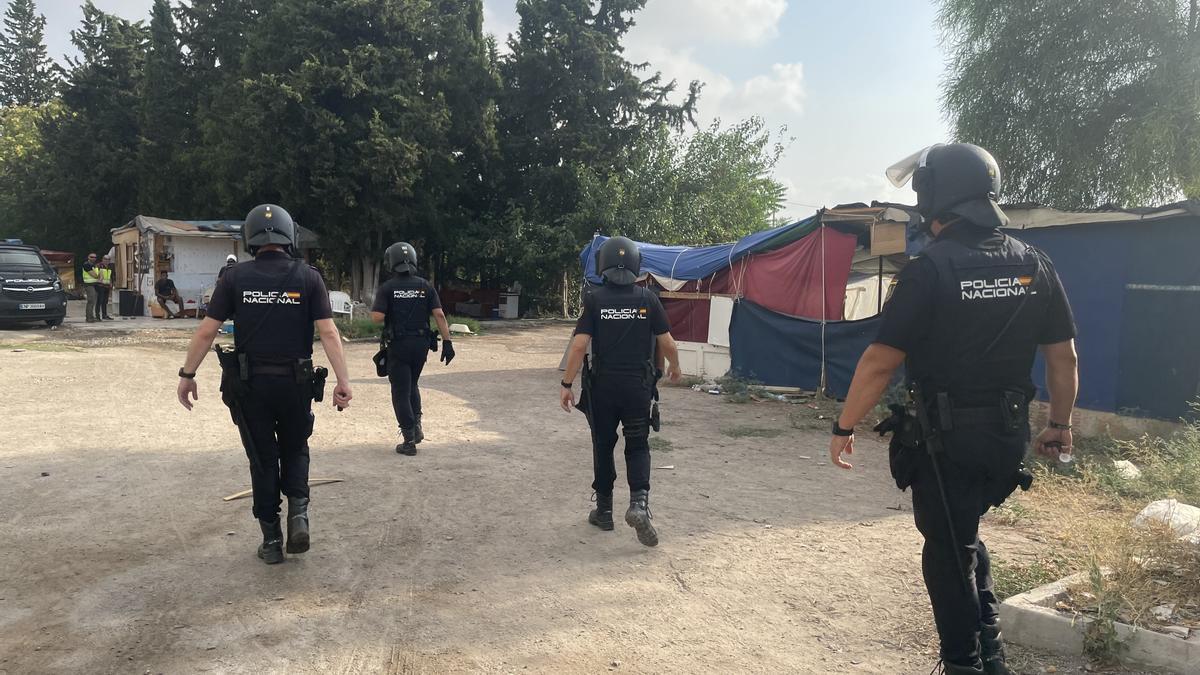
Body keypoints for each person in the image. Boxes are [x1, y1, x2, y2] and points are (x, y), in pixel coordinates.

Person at [827, 144, 1079, 675]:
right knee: (964, 535)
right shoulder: (1035, 264)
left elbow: (878, 362)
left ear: (934, 197)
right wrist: (1059, 425)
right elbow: (1064, 356)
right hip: (1006, 437)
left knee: (946, 552)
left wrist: (844, 424)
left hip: (945, 441)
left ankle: (962, 663)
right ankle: (990, 649)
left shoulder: (930, 269)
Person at [176, 204, 353, 565]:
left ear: (250, 239)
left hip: (250, 386)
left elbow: (208, 330)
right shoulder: (309, 278)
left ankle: (272, 541)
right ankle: (298, 516)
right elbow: (329, 332)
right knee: (296, 448)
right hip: (295, 384)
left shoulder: (235, 278)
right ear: (290, 237)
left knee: (262, 459)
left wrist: (188, 374)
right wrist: (342, 381)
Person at [560, 236, 682, 547]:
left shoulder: (595, 300)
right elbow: (667, 343)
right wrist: (676, 368)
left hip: (603, 388)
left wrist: (567, 384)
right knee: (638, 444)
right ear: (635, 266)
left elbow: (578, 345)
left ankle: (604, 511)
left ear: (603, 266)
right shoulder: (649, 299)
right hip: (638, 388)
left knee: (602, 444)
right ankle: (639, 504)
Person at [370, 242, 454, 455]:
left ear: (391, 262)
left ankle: (409, 440)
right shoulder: (425, 286)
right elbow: (440, 315)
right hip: (421, 345)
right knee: (412, 384)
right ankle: (416, 427)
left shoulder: (387, 288)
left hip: (399, 345)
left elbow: (377, 318)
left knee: (399, 391)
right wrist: (447, 342)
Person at [81, 253, 102, 323]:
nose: (93, 258)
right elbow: (95, 275)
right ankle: (89, 318)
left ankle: (91, 317)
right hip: (89, 285)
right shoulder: (86, 265)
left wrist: (98, 275)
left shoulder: (94, 265)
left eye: (95, 257)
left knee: (93, 302)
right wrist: (98, 275)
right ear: (88, 257)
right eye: (92, 257)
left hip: (94, 284)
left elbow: (98, 274)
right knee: (91, 301)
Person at [97, 255, 115, 320]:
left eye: (108, 259)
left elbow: (110, 276)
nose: (107, 261)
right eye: (105, 259)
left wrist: (111, 283)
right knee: (100, 301)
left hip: (107, 286)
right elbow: (96, 274)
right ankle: (98, 316)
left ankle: (104, 315)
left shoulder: (110, 267)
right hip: (100, 286)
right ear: (103, 259)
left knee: (105, 301)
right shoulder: (99, 266)